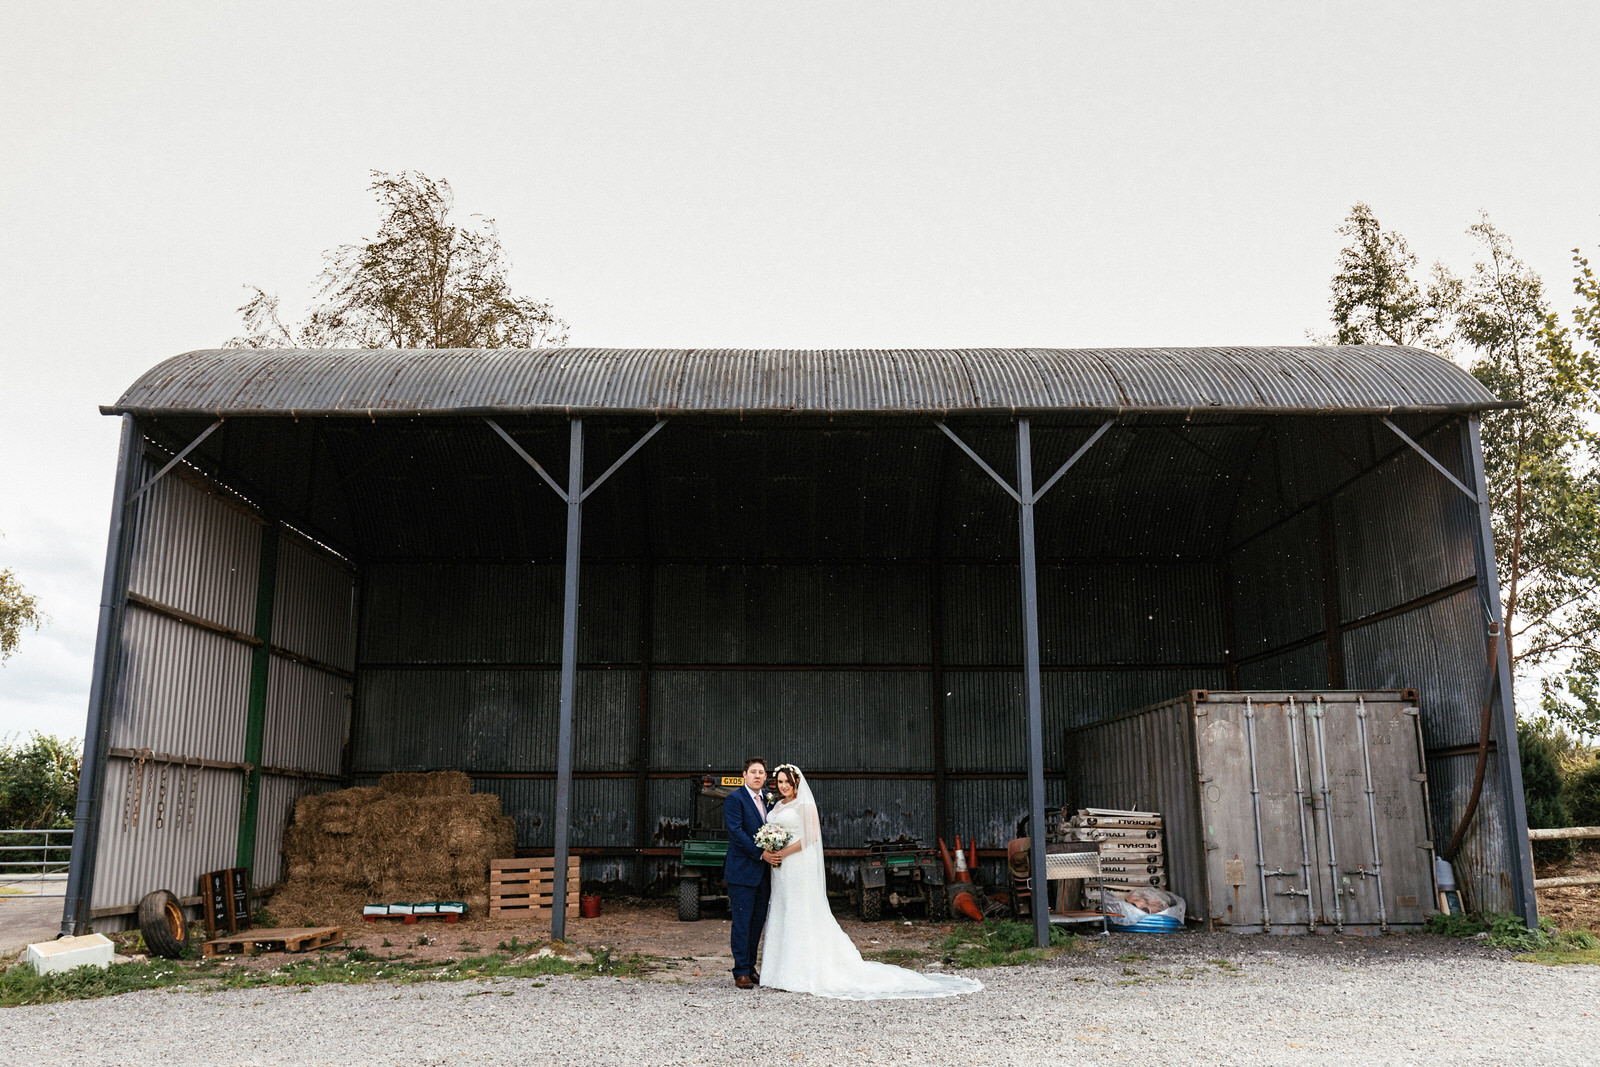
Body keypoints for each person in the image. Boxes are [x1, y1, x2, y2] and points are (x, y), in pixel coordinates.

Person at [757, 764, 983, 1000]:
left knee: (799, 911)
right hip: (780, 868)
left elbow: (811, 836)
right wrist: (772, 847)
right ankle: (780, 972)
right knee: (783, 909)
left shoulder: (804, 804)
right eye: (780, 782)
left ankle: (801, 972)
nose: (783, 786)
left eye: (787, 782)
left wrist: (784, 852)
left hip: (797, 863)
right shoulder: (778, 804)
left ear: (797, 784)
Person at [722, 757, 772, 989]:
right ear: (744, 775)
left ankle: (750, 967)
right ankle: (740, 970)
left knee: (757, 922)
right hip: (743, 871)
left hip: (765, 874)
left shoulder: (769, 802)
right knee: (742, 921)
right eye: (753, 772)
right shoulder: (735, 799)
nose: (758, 776)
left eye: (761, 772)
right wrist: (761, 854)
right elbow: (736, 832)